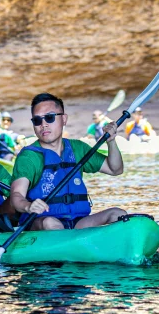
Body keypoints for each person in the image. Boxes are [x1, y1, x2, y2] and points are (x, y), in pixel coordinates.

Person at [10, 93, 128, 231]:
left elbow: (115, 169)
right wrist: (28, 206)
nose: (43, 125)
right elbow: (16, 195)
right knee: (51, 223)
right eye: (37, 120)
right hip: (42, 223)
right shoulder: (29, 157)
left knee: (118, 214)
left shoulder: (78, 148)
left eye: (49, 117)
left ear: (64, 119)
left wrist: (111, 142)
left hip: (78, 223)